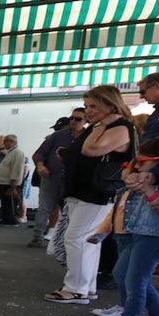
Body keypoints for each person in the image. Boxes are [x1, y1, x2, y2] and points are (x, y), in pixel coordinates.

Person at [44, 85, 136, 304]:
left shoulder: (119, 127)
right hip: (83, 191)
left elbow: (91, 150)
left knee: (76, 238)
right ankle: (86, 287)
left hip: (97, 194)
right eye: (87, 106)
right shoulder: (99, 126)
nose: (88, 111)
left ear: (110, 104)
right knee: (88, 241)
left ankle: (75, 288)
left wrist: (98, 127)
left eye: (94, 106)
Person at [88, 137, 159, 316]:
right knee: (122, 274)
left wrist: (145, 185)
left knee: (137, 279)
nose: (137, 166)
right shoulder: (148, 178)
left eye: (142, 162)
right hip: (138, 233)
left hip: (157, 235)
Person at [28, 111, 84, 247]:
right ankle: (38, 236)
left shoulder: (88, 137)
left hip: (72, 180)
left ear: (85, 120)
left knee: (68, 210)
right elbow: (39, 153)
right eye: (71, 118)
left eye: (78, 119)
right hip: (51, 176)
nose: (73, 121)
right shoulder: (57, 136)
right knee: (45, 207)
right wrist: (40, 166)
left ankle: (60, 238)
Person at [0, 135, 25, 225]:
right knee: (5, 202)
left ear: (11, 142)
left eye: (5, 142)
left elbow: (16, 168)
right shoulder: (10, 152)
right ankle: (5, 218)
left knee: (10, 202)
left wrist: (13, 185)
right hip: (3, 182)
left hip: (10, 183)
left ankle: (11, 219)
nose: (3, 144)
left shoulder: (17, 152)